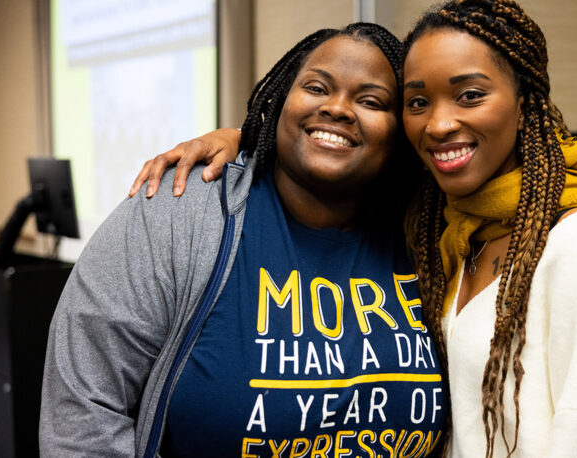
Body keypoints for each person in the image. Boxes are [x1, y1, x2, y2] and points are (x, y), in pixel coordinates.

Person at [132, 1, 577, 457]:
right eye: (418, 102)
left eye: (470, 95)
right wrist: (243, 138)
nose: (438, 123)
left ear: (525, 101)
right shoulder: (443, 228)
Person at [40, 23, 448, 458]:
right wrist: (245, 137)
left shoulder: (430, 230)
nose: (338, 108)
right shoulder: (176, 210)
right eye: (315, 87)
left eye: (370, 101)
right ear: (279, 101)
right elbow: (82, 414)